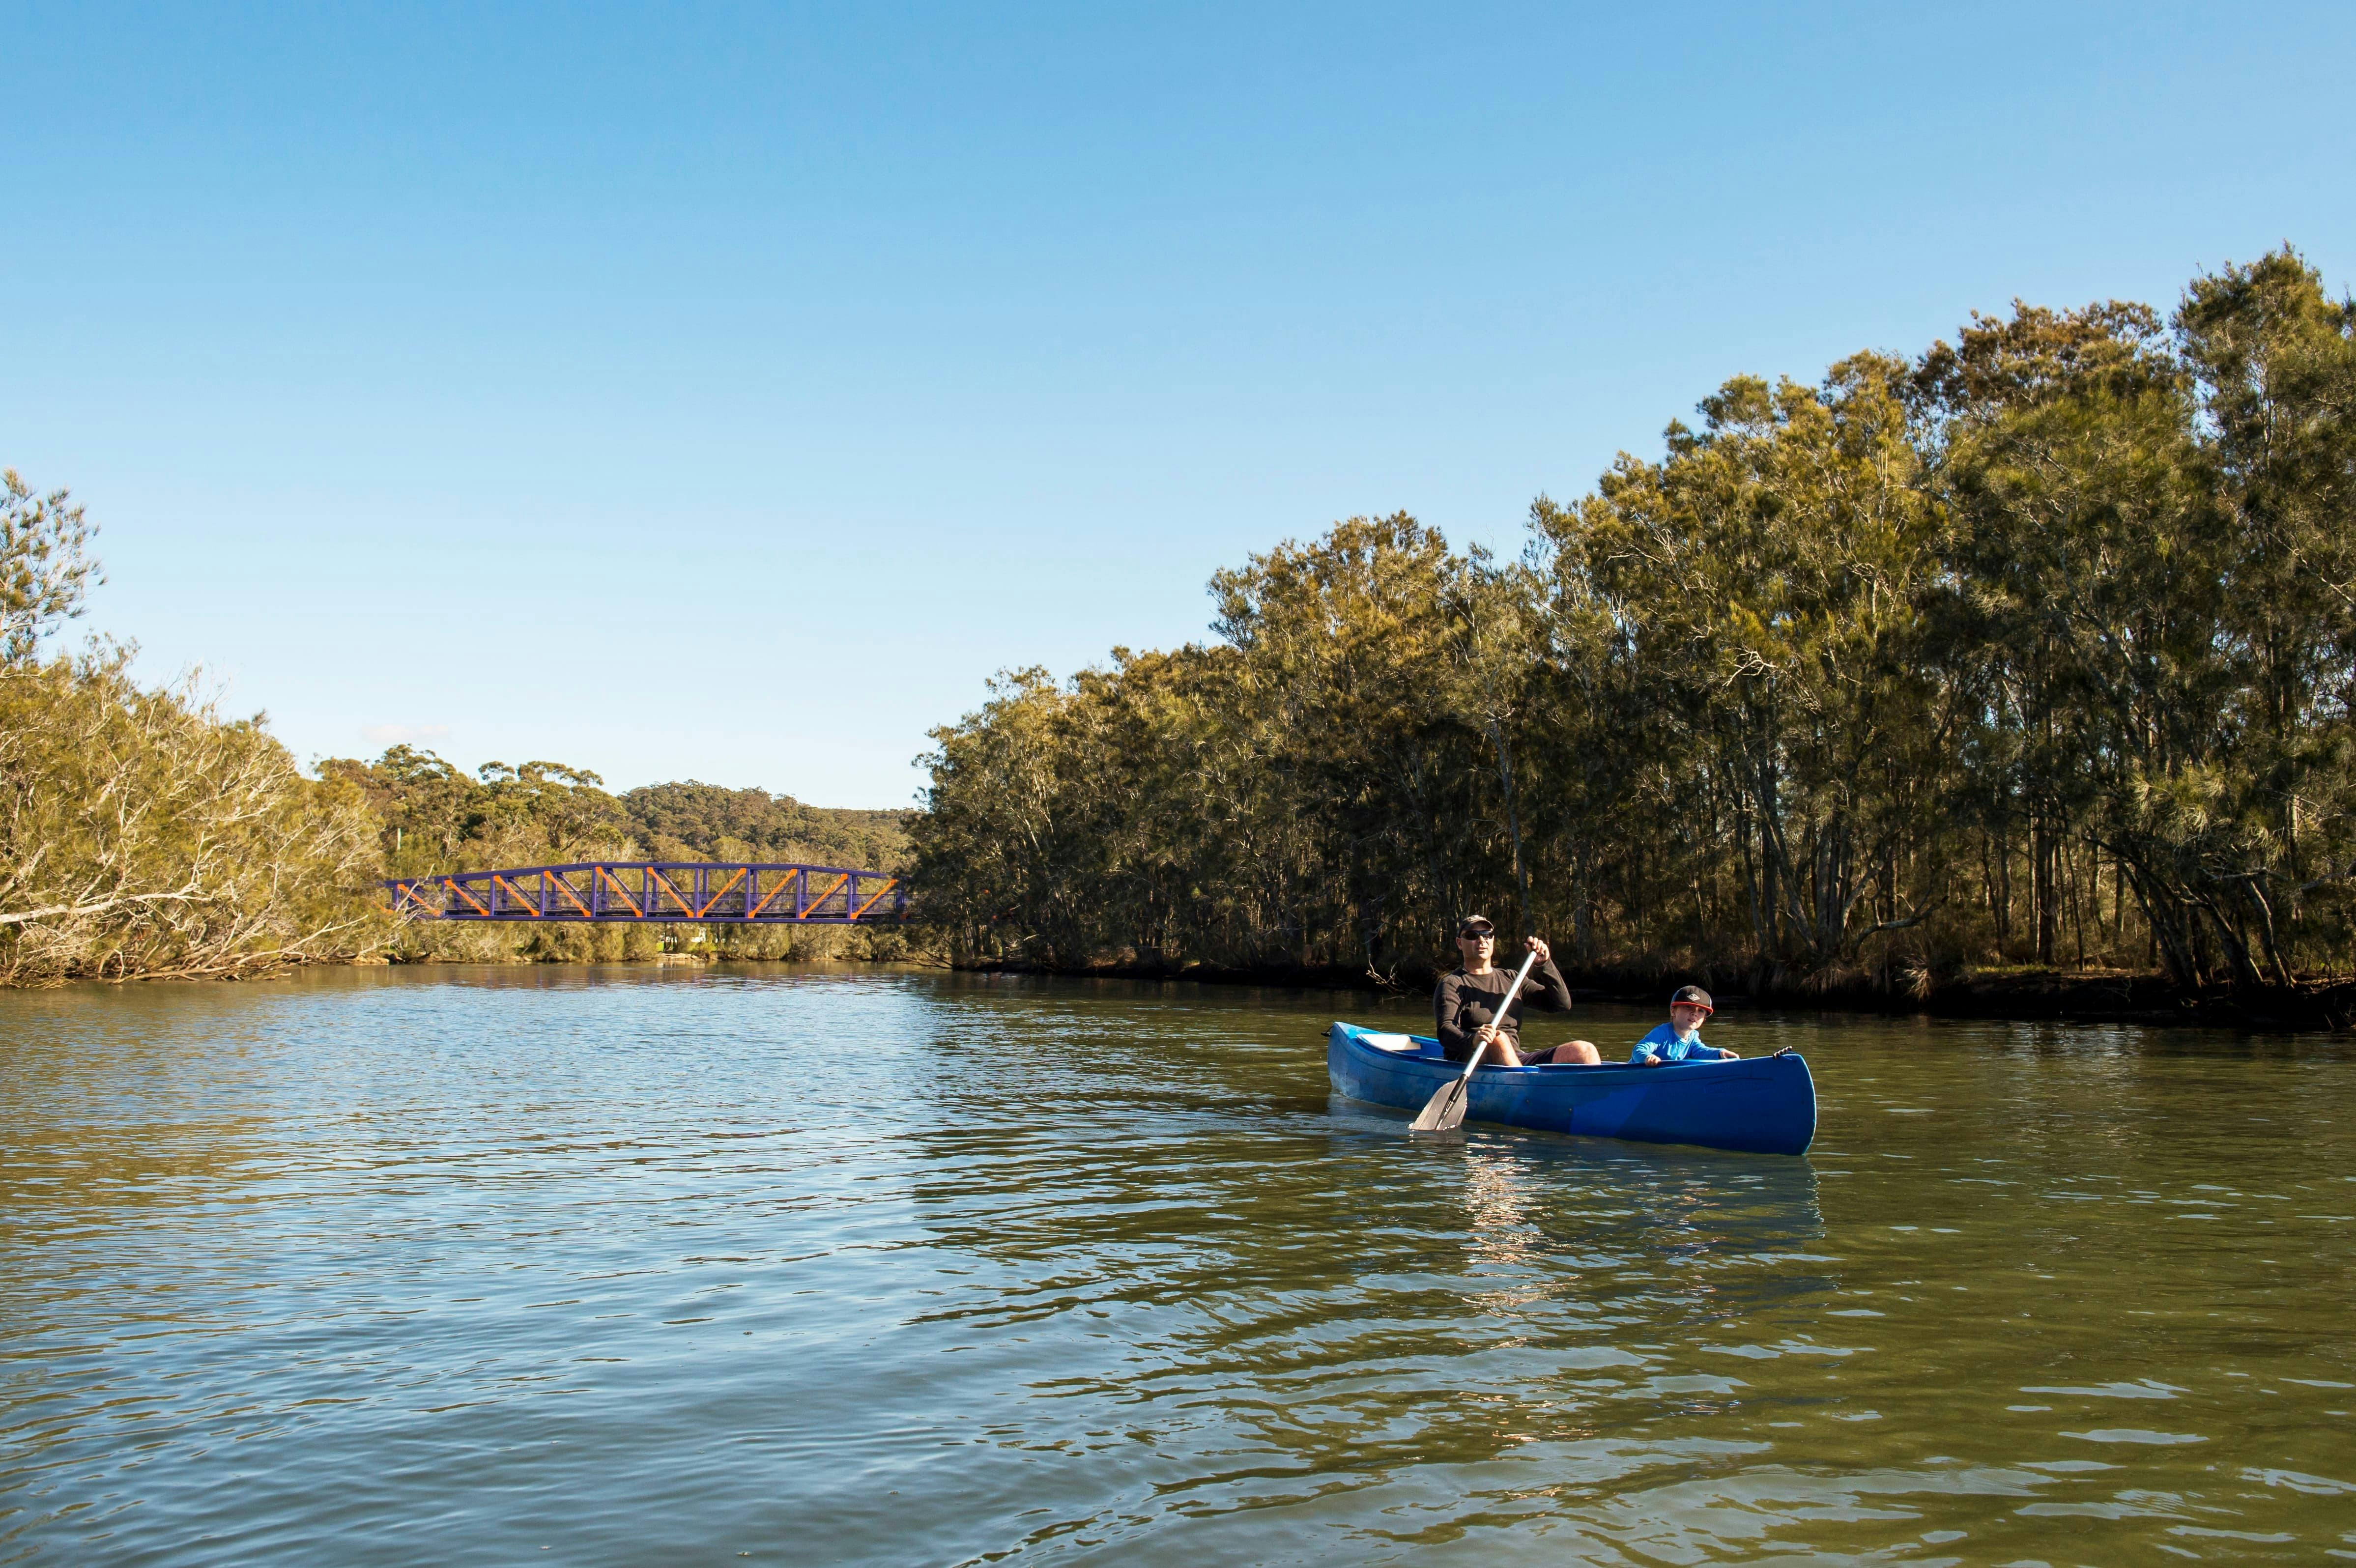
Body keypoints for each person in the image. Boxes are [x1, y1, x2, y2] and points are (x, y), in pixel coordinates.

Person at [1434, 914, 1601, 1066]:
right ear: (1459, 943)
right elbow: (1446, 1030)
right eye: (1472, 936)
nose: (1482, 940)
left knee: (1585, 1050)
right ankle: (1525, 1093)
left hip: (1516, 1058)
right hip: (1474, 1059)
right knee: (1497, 1038)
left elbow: (1561, 1004)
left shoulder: (1513, 979)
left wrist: (1544, 964)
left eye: (1487, 935)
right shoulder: (1452, 984)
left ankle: (1595, 1097)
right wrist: (1474, 1039)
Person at [1629, 985, 1738, 1065]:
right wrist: (1649, 1057)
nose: (1695, 1013)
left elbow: (1702, 1052)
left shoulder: (1693, 1037)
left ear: (1704, 1019)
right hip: (1634, 1076)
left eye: (1700, 1011)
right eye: (1688, 1007)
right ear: (1673, 1012)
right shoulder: (1663, 1032)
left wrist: (1721, 1053)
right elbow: (1638, 1050)